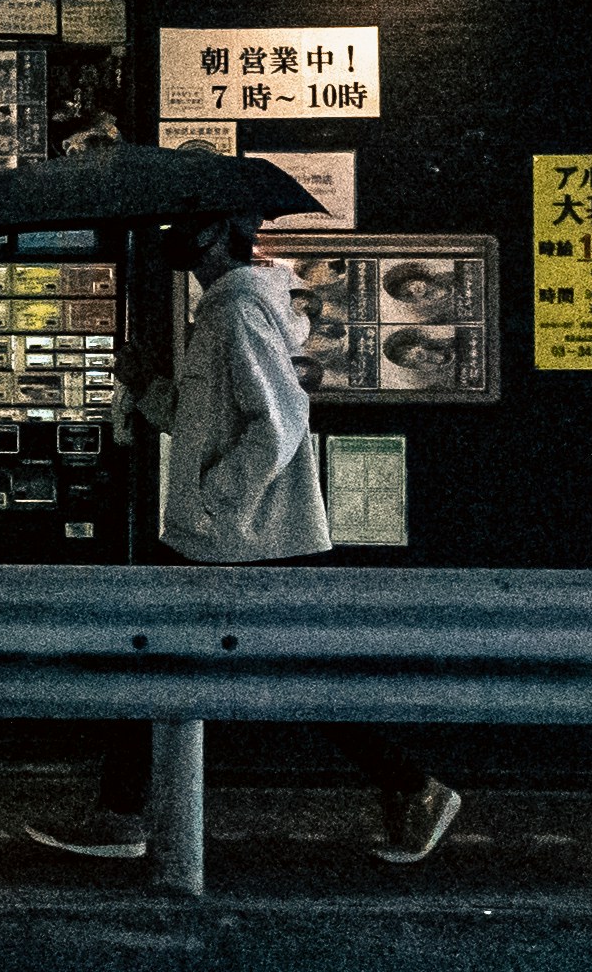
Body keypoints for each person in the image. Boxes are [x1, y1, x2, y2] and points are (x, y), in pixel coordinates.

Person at [24, 210, 462, 867]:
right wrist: (144, 386)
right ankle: (410, 787)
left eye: (185, 225)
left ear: (217, 234)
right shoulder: (224, 311)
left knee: (164, 664)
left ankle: (121, 815)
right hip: (228, 537)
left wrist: (217, 497)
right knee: (270, 674)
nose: (172, 237)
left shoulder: (237, 311)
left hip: (236, 537)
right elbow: (207, 424)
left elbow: (278, 423)